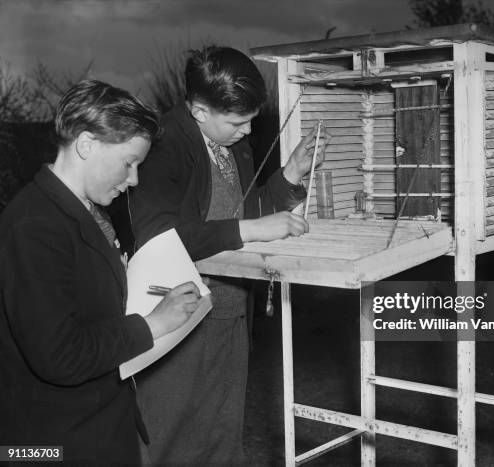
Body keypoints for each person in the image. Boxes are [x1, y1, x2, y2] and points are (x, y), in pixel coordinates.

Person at [128, 46, 328, 465]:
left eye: (253, 119)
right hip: (177, 314)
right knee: (169, 437)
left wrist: (289, 174)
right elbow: (162, 237)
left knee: (222, 433)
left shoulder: (234, 144)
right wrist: (251, 229)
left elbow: (238, 213)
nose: (248, 130)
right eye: (238, 121)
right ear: (200, 109)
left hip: (231, 310)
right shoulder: (161, 147)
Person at [0, 80, 203, 466]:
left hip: (94, 427)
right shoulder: (33, 227)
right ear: (86, 144)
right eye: (129, 162)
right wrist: (153, 325)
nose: (134, 180)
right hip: (49, 445)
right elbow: (59, 355)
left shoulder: (86, 212)